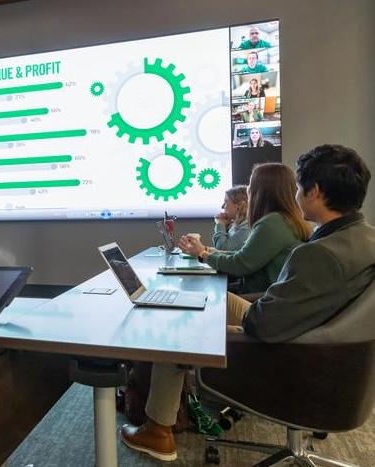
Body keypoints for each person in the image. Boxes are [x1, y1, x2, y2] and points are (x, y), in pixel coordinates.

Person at [120, 145, 373, 462]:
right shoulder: (364, 238)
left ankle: (157, 430)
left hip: (294, 353)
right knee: (205, 304)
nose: (295, 193)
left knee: (180, 329)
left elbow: (262, 323)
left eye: (299, 186)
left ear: (316, 192)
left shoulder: (318, 254)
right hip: (322, 346)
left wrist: (219, 328)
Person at [180, 163, 312, 294]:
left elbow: (240, 264)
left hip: (262, 299)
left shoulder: (273, 223)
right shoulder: (288, 219)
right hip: (267, 294)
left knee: (202, 295)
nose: (248, 190)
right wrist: (206, 251)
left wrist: (202, 254)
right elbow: (245, 256)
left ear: (261, 191)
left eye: (251, 184)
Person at [212, 185, 249, 252]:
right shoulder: (236, 225)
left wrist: (220, 225)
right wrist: (226, 227)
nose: (222, 206)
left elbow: (223, 250)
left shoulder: (247, 228)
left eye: (226, 202)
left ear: (239, 205)